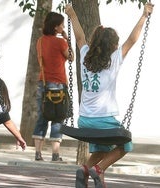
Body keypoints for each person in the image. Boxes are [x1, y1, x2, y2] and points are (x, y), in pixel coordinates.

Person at [65, 2, 154, 188]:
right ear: (113, 46)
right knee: (125, 143)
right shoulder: (113, 60)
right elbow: (131, 40)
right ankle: (99, 169)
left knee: (102, 148)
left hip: (84, 120)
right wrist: (144, 16)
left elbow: (80, 37)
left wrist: (72, 14)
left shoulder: (85, 55)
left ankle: (85, 169)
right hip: (103, 120)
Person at [32, 11, 74, 162]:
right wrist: (66, 37)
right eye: (62, 24)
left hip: (42, 83)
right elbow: (71, 57)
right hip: (58, 84)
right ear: (56, 27)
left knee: (42, 117)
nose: (63, 26)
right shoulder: (60, 42)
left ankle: (38, 153)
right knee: (58, 117)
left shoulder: (40, 41)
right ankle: (55, 155)